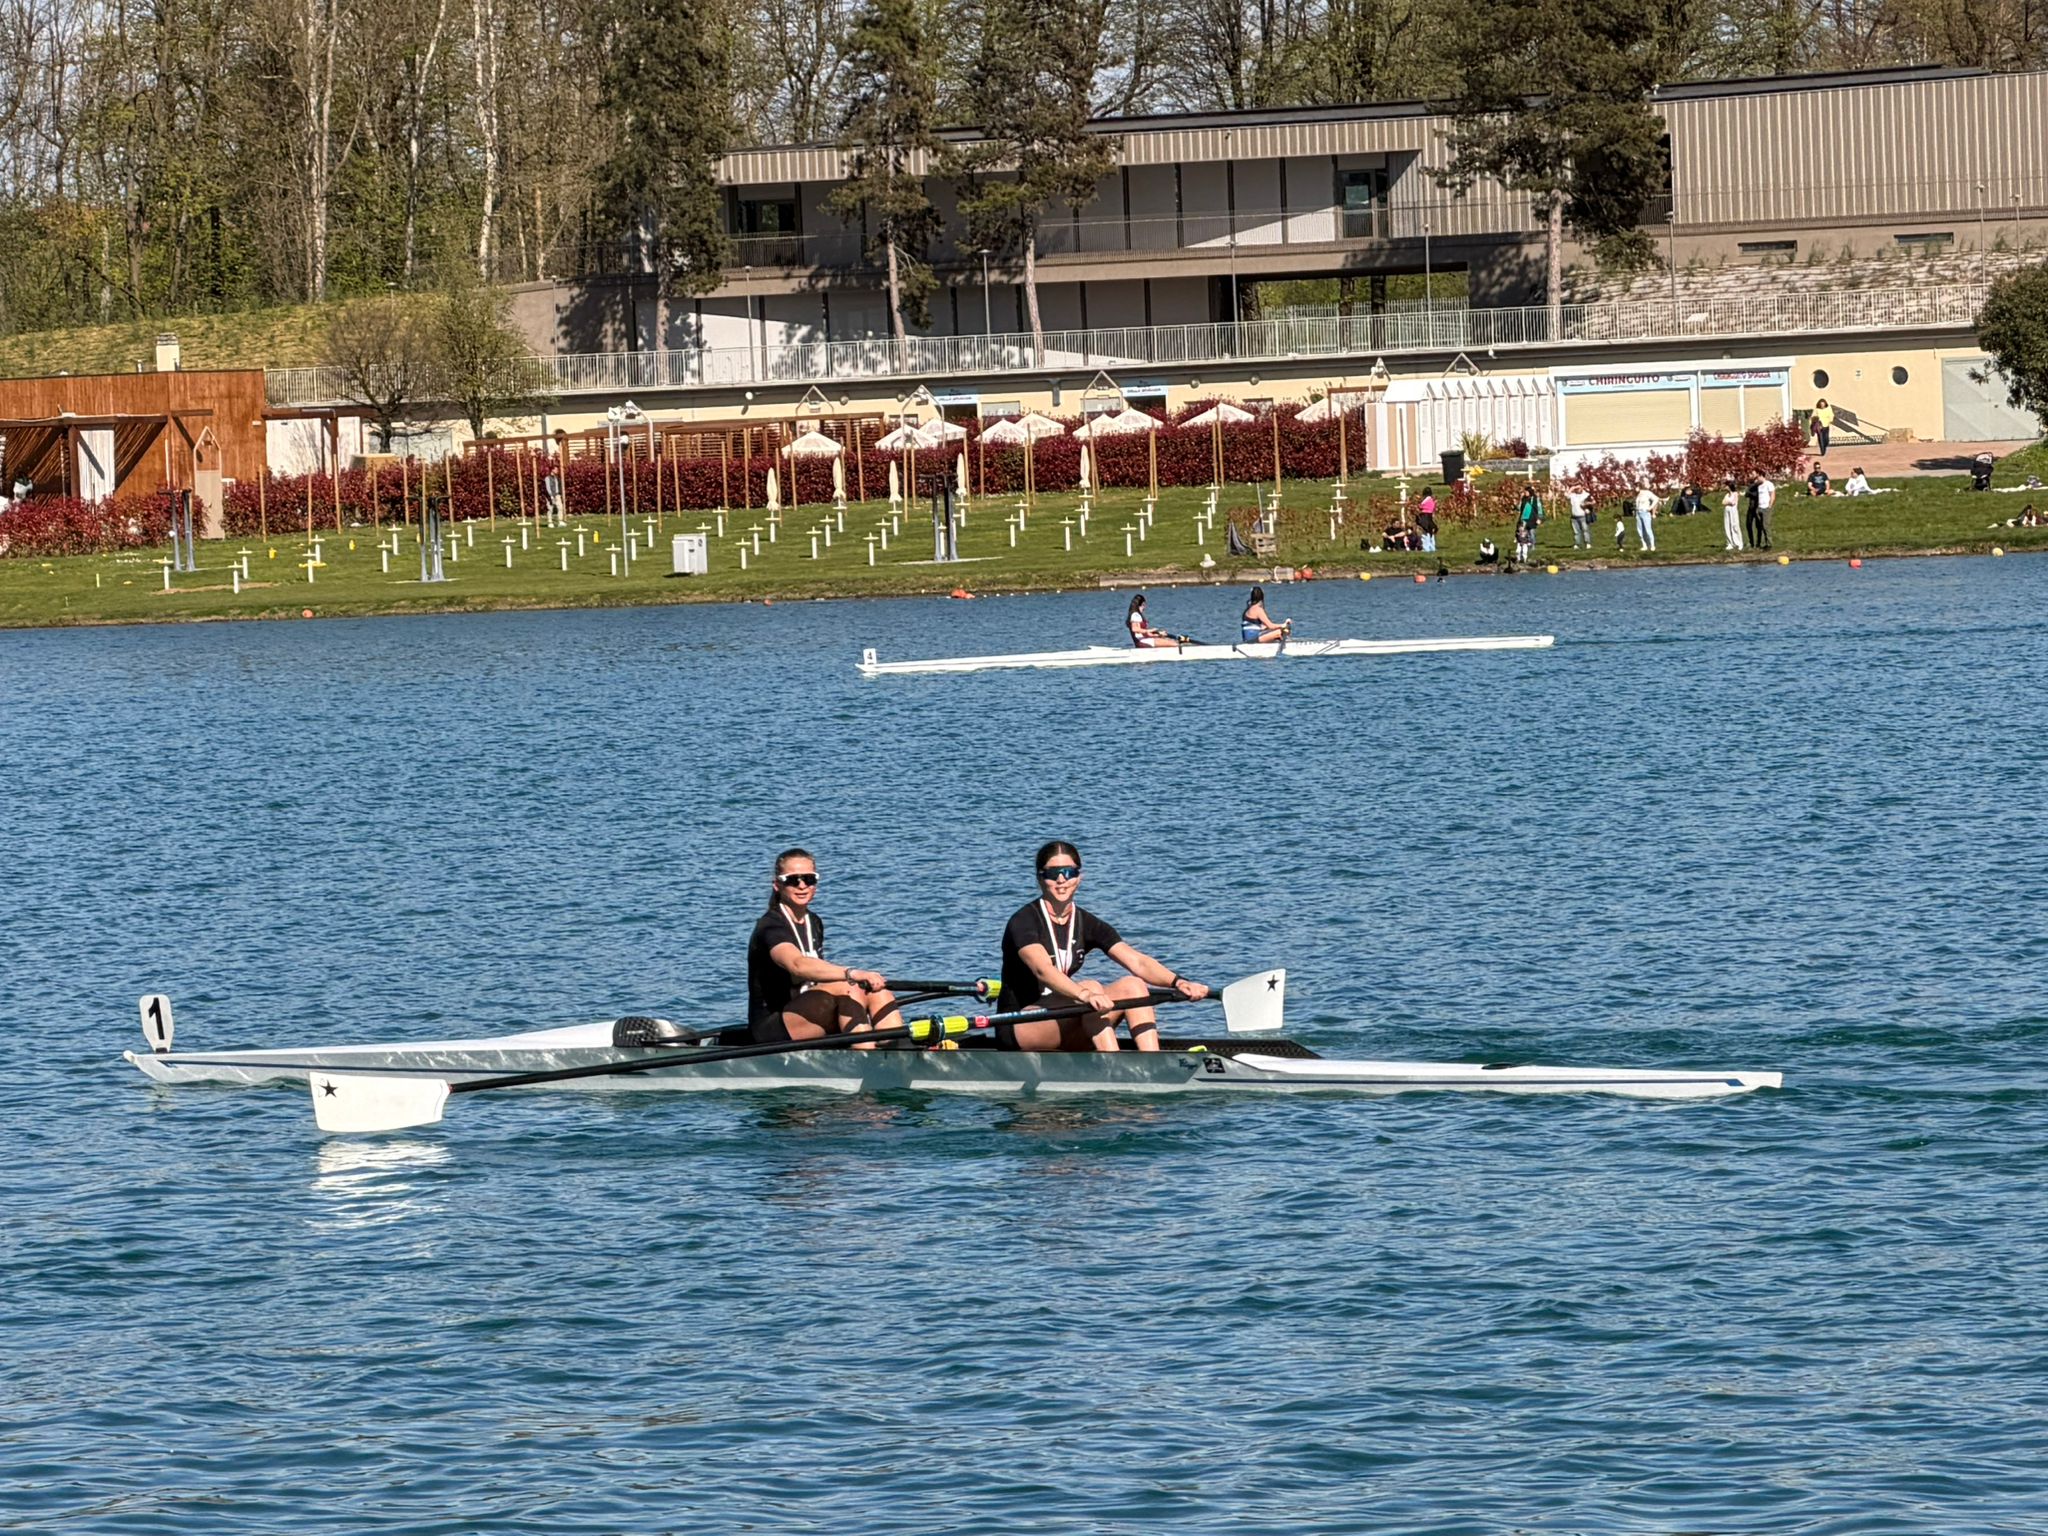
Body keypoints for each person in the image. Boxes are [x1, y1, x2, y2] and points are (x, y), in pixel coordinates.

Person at [996, 842, 1208, 1053]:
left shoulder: (1087, 923)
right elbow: (1043, 970)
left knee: (1132, 985)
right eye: (1053, 873)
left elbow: (1138, 962)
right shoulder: (1024, 921)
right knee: (1092, 986)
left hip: (1067, 1017)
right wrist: (1086, 995)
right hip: (1021, 1024)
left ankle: (1152, 1060)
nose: (1062, 880)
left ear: (1079, 877)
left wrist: (1178, 982)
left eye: (1068, 872)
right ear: (1040, 878)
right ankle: (1112, 1062)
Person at [747, 848, 904, 1045]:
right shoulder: (770, 926)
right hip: (774, 1025)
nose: (802, 885)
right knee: (850, 989)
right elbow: (798, 965)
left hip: (812, 1009)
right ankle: (866, 1058)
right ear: (777, 885)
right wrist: (852, 973)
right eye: (793, 880)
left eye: (809, 879)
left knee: (879, 992)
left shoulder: (814, 922)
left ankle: (897, 1053)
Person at [1721, 478, 1745, 552]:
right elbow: (1723, 502)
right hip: (1727, 510)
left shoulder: (1735, 494)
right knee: (1727, 526)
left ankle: (1739, 543)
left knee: (1735, 526)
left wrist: (1727, 502)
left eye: (1726, 486)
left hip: (1733, 510)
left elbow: (1733, 502)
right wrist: (1728, 502)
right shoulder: (1727, 495)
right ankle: (1730, 543)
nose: (1725, 487)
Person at [1633, 484, 1658, 553]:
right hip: (1638, 512)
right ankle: (1644, 545)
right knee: (1640, 530)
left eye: (1636, 486)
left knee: (1648, 529)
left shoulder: (1647, 493)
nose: (1635, 488)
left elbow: (1656, 499)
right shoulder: (1637, 495)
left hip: (1645, 512)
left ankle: (1652, 545)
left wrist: (1650, 508)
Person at [1755, 473, 1777, 549]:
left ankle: (1769, 543)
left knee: (1766, 525)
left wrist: (1770, 505)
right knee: (1760, 526)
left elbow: (1772, 495)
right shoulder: (1759, 486)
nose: (1757, 479)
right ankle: (1762, 542)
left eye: (1758, 477)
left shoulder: (1769, 484)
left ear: (1762, 476)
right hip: (1760, 507)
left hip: (1766, 507)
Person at [1416, 487, 1439, 553]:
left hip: (1424, 517)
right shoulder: (1432, 500)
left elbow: (1421, 506)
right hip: (1430, 517)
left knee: (1425, 533)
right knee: (1430, 533)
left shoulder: (1426, 500)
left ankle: (1426, 548)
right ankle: (1432, 547)